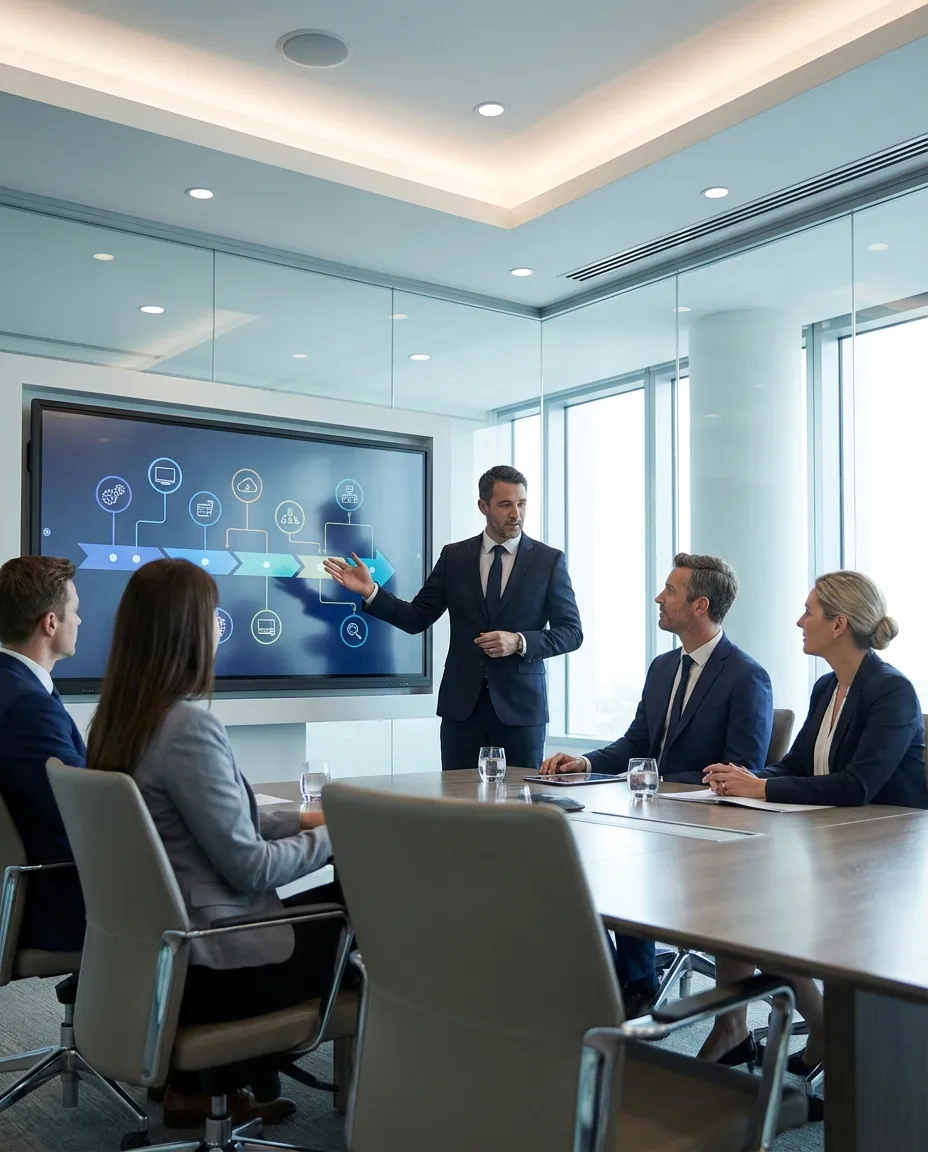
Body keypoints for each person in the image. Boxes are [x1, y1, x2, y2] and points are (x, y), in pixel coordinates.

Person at [86, 558, 341, 1129]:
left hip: (156, 961)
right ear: (190, 632)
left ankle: (196, 1092)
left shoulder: (119, 722)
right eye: (212, 618)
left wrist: (304, 822)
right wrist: (337, 835)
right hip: (216, 970)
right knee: (358, 902)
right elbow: (250, 868)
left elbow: (203, 829)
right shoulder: (189, 730)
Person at [700, 570, 927, 1071]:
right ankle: (797, 1027)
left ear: (839, 623)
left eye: (809, 612)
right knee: (738, 906)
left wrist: (762, 788)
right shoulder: (828, 687)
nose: (799, 621)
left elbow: (856, 785)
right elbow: (797, 765)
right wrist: (746, 778)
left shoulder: (892, 692)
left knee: (766, 913)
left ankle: (828, 1030)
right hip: (833, 843)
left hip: (890, 856)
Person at [540, 553, 773, 1016]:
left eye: (670, 591)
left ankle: (637, 986)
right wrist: (583, 761)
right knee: (569, 863)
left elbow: (742, 768)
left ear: (700, 605)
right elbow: (637, 743)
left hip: (702, 832)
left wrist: (658, 784)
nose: (658, 598)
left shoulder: (747, 676)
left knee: (617, 866)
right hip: (645, 817)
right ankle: (612, 980)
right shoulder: (663, 667)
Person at [323, 465, 583, 771]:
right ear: (483, 506)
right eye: (505, 505)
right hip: (462, 710)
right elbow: (416, 617)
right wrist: (371, 592)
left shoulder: (548, 560)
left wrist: (519, 641)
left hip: (521, 710)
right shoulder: (455, 557)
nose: (516, 514)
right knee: (458, 806)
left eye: (522, 503)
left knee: (518, 809)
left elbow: (572, 632)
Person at [0, 556, 85, 954]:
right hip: (57, 899)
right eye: (75, 612)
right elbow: (83, 817)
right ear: (51, 623)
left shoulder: (15, 686)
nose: (80, 622)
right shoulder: (28, 707)